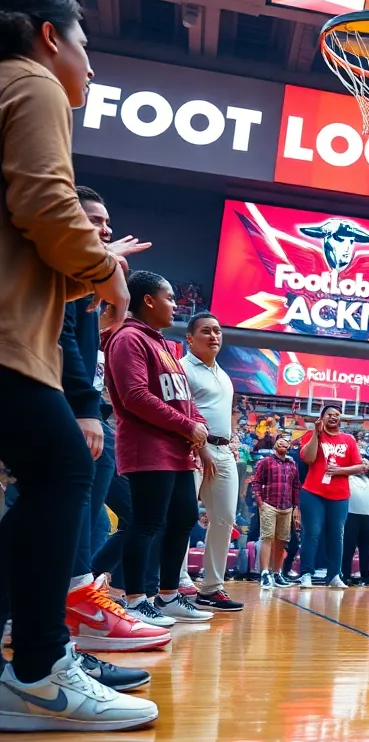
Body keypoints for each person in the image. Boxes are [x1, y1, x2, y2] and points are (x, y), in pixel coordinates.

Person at [0, 0, 156, 732]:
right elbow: (41, 199)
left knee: (53, 470)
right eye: (86, 47)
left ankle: (32, 660)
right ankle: (36, 669)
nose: (91, 68)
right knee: (63, 466)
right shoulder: (31, 82)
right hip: (5, 343)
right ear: (49, 34)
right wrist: (105, 274)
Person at [60, 186, 164, 661]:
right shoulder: (58, 273)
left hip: (86, 413)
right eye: (94, 220)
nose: (105, 230)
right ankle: (71, 608)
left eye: (107, 222)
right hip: (65, 408)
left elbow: (94, 334)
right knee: (56, 507)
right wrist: (84, 404)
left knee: (87, 511)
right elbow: (61, 344)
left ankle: (76, 600)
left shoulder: (83, 288)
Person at [104, 271, 214, 631]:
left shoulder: (165, 346)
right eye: (169, 297)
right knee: (147, 522)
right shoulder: (128, 339)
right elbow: (135, 397)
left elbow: (185, 400)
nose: (175, 304)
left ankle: (168, 595)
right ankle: (135, 600)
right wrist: (187, 426)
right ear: (148, 301)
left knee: (182, 518)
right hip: (147, 448)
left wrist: (199, 426)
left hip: (178, 450)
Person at [179, 312, 243, 612]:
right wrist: (199, 444)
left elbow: (222, 413)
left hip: (223, 452)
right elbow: (180, 410)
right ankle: (178, 580)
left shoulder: (224, 374)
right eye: (206, 331)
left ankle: (212, 587)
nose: (214, 336)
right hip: (191, 449)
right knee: (182, 517)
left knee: (225, 518)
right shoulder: (182, 369)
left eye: (218, 331)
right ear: (189, 338)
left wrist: (231, 438)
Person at [298, 405, 366, 589]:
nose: (334, 417)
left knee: (337, 535)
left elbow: (360, 466)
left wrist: (339, 471)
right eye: (330, 414)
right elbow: (309, 458)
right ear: (322, 417)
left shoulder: (348, 440)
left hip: (339, 495)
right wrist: (316, 434)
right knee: (312, 533)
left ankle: (334, 575)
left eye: (337, 415)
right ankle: (306, 574)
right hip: (313, 493)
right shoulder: (312, 436)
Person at [253, 434, 300, 590]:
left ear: (288, 447)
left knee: (282, 541)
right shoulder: (265, 461)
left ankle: (277, 573)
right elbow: (257, 482)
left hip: (287, 508)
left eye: (286, 441)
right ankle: (265, 574)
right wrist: (260, 502)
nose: (283, 442)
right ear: (274, 446)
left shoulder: (292, 465)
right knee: (267, 538)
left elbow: (295, 487)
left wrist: (295, 507)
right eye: (280, 440)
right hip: (269, 505)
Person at [341, 462, 369, 586]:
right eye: (361, 463)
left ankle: (365, 577)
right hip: (351, 516)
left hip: (368, 517)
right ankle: (345, 575)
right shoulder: (349, 477)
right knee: (348, 548)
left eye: (366, 463)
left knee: (366, 548)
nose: (364, 466)